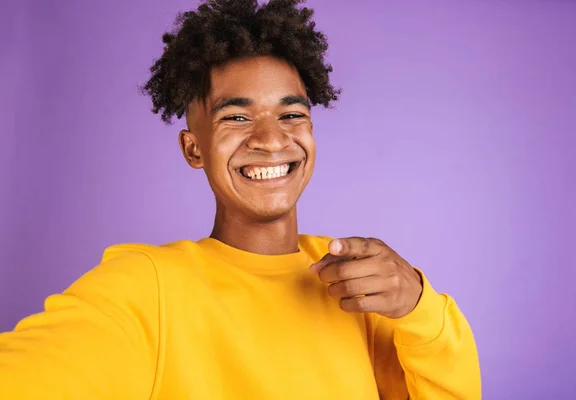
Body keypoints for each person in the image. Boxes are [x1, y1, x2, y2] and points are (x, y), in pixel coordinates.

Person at [0, 0, 481, 398]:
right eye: (236, 118)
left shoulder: (365, 285)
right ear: (194, 148)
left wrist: (418, 304)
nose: (272, 140)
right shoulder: (146, 290)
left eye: (292, 114)